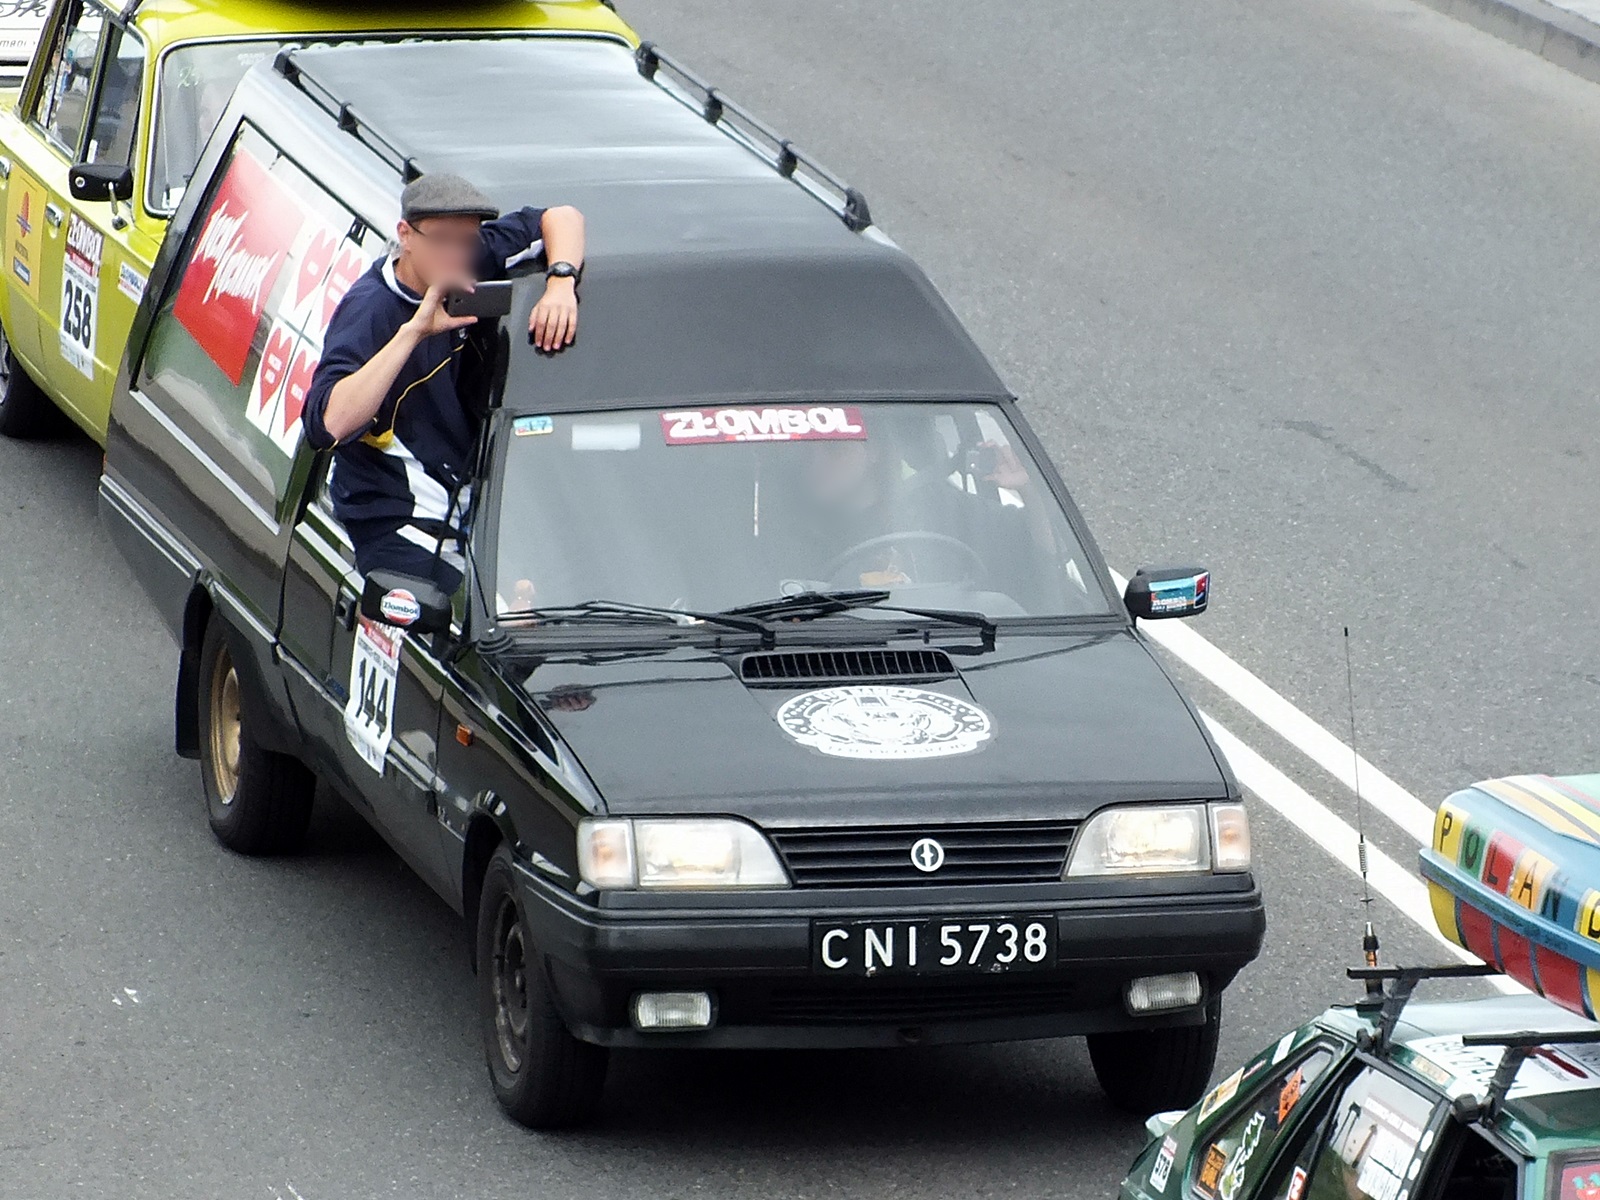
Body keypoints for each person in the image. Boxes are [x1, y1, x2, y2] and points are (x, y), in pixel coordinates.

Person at [303, 172, 585, 593]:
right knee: (481, 618)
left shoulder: (469, 258)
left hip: (473, 501)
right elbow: (328, 425)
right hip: (395, 520)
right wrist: (414, 331)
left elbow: (562, 217)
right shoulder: (370, 310)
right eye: (442, 240)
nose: (456, 254)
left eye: (466, 240)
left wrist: (561, 282)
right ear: (406, 235)